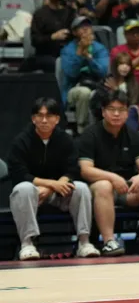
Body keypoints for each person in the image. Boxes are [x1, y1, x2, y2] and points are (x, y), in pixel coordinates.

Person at [78, 90, 139, 256]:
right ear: (103, 111)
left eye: (121, 110)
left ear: (127, 113)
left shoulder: (133, 135)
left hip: (126, 188)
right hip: (97, 190)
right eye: (111, 109)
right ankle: (109, 241)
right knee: (104, 186)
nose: (116, 114)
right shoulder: (90, 135)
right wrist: (112, 178)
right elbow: (85, 170)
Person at [7, 98, 100, 260]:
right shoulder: (21, 141)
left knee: (81, 188)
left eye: (49, 116)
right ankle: (27, 244)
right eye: (40, 115)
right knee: (22, 189)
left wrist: (53, 187)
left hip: (59, 193)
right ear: (33, 118)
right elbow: (19, 173)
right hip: (33, 194)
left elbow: (73, 169)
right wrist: (50, 184)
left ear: (57, 119)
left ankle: (84, 242)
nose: (44, 120)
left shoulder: (65, 140)